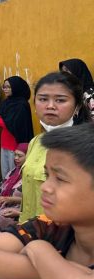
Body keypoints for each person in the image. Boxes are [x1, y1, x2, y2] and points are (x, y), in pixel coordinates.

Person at [0, 124, 94, 279]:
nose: (45, 186)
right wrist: (47, 259)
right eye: (47, 175)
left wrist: (38, 251)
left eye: (60, 178)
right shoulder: (50, 226)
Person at [19, 72, 91, 221]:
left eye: (60, 100)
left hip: (59, 233)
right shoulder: (36, 141)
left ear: (77, 106)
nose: (50, 106)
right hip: (29, 226)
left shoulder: (84, 147)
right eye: (43, 99)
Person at [0, 76, 35, 177]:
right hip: (5, 143)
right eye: (4, 87)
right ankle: (5, 192)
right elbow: (0, 120)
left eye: (8, 87)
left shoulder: (21, 104)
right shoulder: (7, 102)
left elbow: (8, 124)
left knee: (15, 175)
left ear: (16, 87)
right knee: (5, 175)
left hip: (16, 145)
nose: (5, 89)